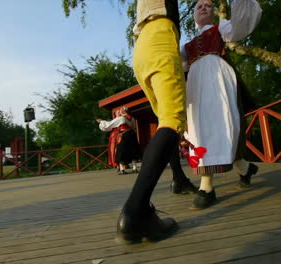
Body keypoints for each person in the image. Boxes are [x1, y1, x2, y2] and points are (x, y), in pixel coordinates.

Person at [116, 0, 189, 244]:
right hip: (161, 35)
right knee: (172, 121)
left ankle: (178, 178)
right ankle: (135, 212)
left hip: (141, 45)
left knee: (163, 123)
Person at [180, 0, 262, 209]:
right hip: (196, 83)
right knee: (198, 128)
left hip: (217, 77)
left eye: (208, 5)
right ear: (194, 15)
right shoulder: (186, 45)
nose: (203, 8)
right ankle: (245, 168)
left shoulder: (221, 28)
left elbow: (240, 27)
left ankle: (206, 187)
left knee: (221, 123)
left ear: (214, 12)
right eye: (199, 6)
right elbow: (176, 66)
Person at [97, 107, 141, 174]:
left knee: (120, 152)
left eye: (120, 111)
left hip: (124, 135)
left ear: (122, 112)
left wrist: (101, 121)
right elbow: (133, 126)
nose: (119, 112)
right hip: (132, 135)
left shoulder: (121, 118)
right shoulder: (132, 118)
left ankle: (122, 169)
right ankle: (134, 168)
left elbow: (109, 125)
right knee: (133, 151)